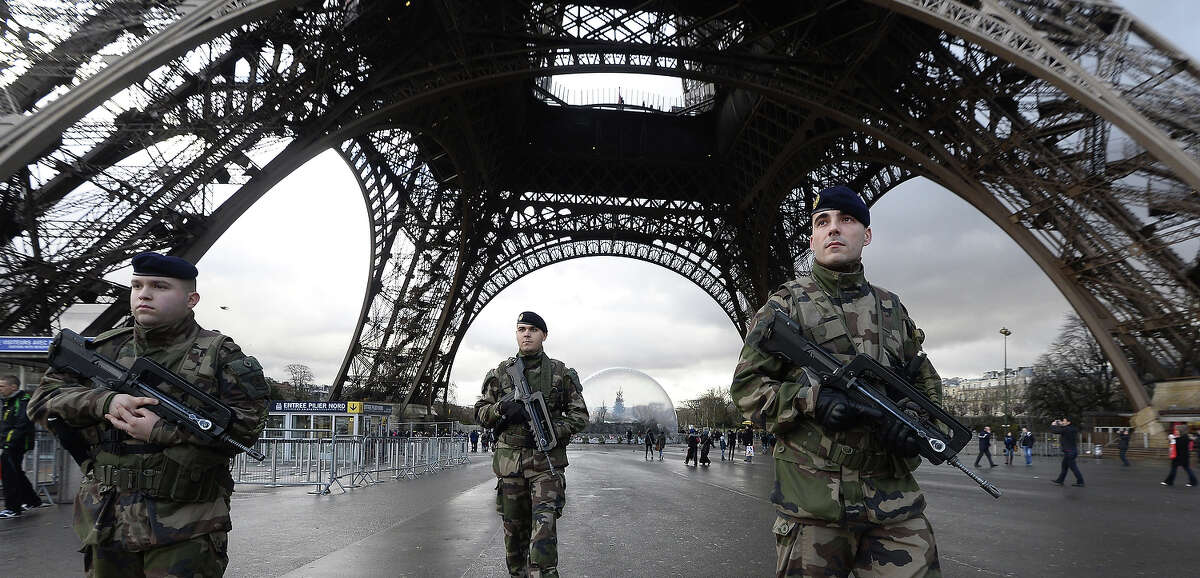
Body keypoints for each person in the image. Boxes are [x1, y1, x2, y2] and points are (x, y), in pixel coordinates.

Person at [731, 184, 943, 577]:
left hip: (892, 500)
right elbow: (746, 391)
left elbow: (925, 383)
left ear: (866, 235)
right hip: (815, 504)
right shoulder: (783, 306)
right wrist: (813, 400)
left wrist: (914, 423)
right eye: (822, 221)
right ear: (811, 238)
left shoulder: (892, 308)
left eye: (846, 220)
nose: (833, 229)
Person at [28, 252, 270, 576]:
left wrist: (161, 432)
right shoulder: (102, 349)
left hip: (186, 524)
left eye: (159, 286)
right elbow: (42, 402)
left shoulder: (223, 356)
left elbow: (244, 431)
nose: (144, 293)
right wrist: (104, 402)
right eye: (137, 285)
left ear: (191, 299)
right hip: (106, 519)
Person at [474, 311, 589, 577]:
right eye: (522, 329)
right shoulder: (501, 373)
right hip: (510, 466)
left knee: (543, 538)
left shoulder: (561, 373)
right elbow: (480, 412)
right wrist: (502, 409)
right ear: (516, 334)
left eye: (533, 329)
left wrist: (551, 429)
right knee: (514, 539)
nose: (527, 334)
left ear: (544, 335)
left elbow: (580, 416)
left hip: (545, 464)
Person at [1, 375, 44, 519]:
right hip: (10, 443)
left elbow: (20, 425)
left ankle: (13, 508)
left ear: (13, 387)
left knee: (9, 476)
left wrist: (6, 444)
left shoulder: (22, 401)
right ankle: (33, 501)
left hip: (15, 444)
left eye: (2, 386)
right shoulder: (9, 401)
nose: (0, 389)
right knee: (17, 473)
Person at [1049, 417, 1085, 487]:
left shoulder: (1067, 429)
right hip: (1071, 451)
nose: (1062, 422)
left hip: (1069, 452)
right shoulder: (1072, 429)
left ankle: (1080, 481)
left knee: (1074, 468)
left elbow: (1055, 431)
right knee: (1064, 467)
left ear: (1069, 422)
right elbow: (1063, 428)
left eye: (1064, 421)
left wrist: (1053, 425)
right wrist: (1060, 423)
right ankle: (1060, 480)